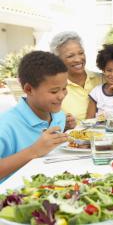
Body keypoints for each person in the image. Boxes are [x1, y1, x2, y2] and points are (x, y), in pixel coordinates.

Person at [0, 51, 69, 182]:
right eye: (54, 91)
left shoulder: (59, 116)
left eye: (64, 88)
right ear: (29, 89)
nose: (61, 95)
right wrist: (34, 151)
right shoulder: (6, 124)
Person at [50, 31, 102, 121]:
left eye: (81, 53)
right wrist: (64, 125)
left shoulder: (103, 79)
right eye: (70, 56)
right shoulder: (54, 88)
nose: (78, 59)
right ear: (57, 60)